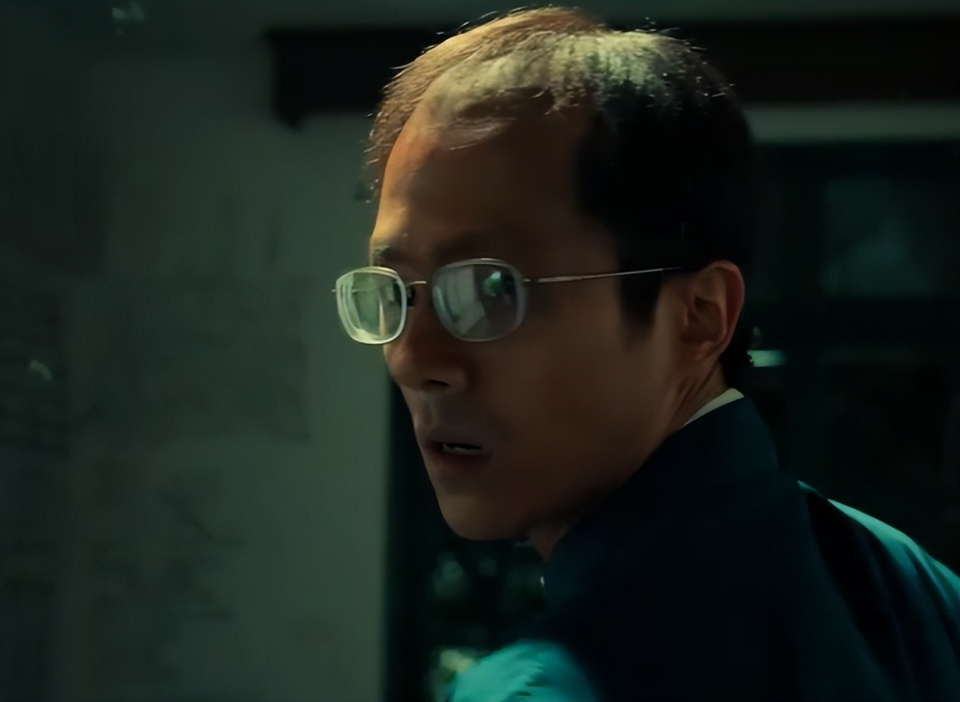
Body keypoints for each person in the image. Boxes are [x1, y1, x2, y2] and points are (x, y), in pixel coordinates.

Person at [334, 7, 960, 701]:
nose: (415, 359)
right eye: (396, 290)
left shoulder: (542, 691)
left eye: (490, 289)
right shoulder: (917, 591)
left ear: (698, 316)